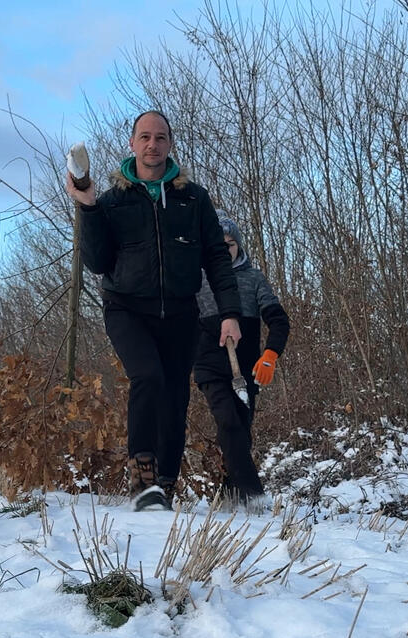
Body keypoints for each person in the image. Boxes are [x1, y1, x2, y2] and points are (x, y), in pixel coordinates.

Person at [65, 110, 242, 511]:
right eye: (144, 137)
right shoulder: (113, 200)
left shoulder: (193, 199)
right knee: (147, 377)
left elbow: (216, 257)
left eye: (160, 137)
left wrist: (229, 312)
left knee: (176, 394)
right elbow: (96, 262)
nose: (152, 144)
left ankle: (166, 480)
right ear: (132, 144)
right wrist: (89, 207)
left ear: (169, 144)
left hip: (181, 312)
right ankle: (142, 477)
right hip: (126, 308)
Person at [194, 211, 289, 509]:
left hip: (246, 368)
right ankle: (254, 496)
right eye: (217, 245)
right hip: (209, 362)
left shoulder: (253, 277)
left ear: (239, 246)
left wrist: (270, 355)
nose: (224, 250)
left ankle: (229, 496)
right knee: (228, 423)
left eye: (230, 244)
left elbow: (278, 320)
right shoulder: (196, 279)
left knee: (241, 434)